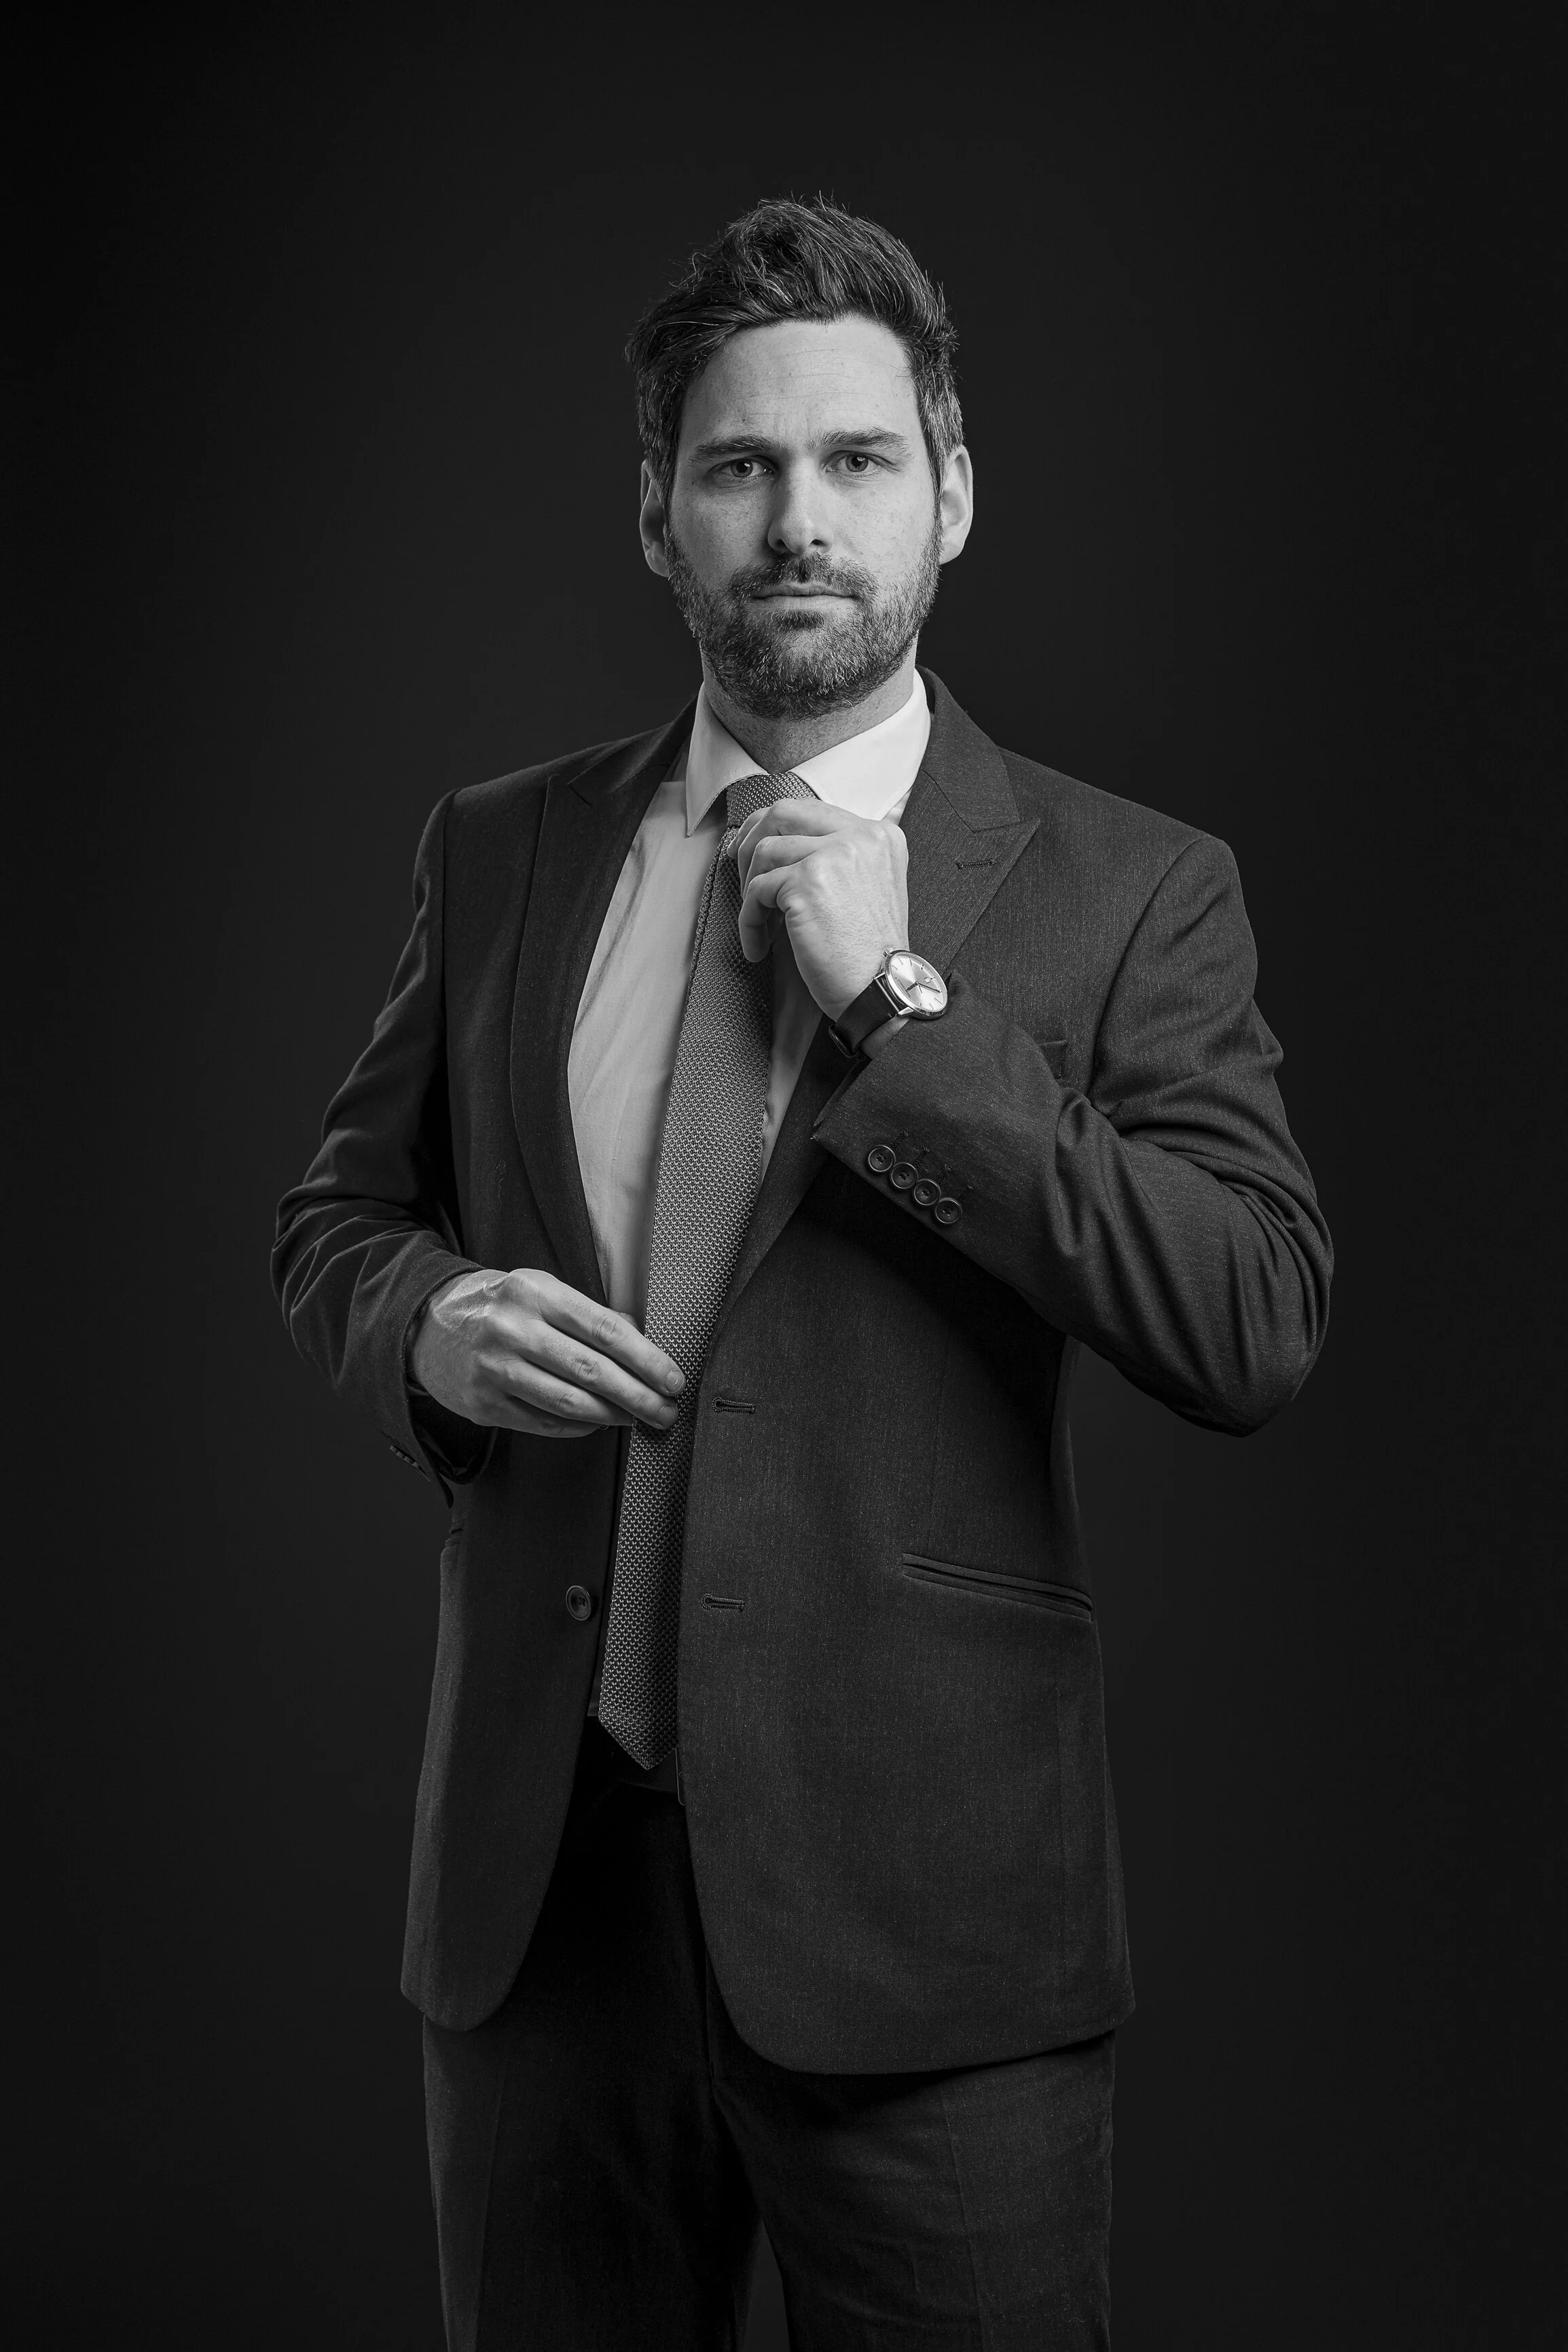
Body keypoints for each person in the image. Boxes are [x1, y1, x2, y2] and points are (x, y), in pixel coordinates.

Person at [273, 196, 1332, 2350]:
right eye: (738, 466)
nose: (798, 522)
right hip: (542, 1911)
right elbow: (339, 1224)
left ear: (953, 491)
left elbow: (1246, 1312)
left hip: (931, 1929)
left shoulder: (1132, 887)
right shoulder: (503, 848)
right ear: (655, 512)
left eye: (856, 459)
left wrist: (896, 1008)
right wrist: (428, 1329)